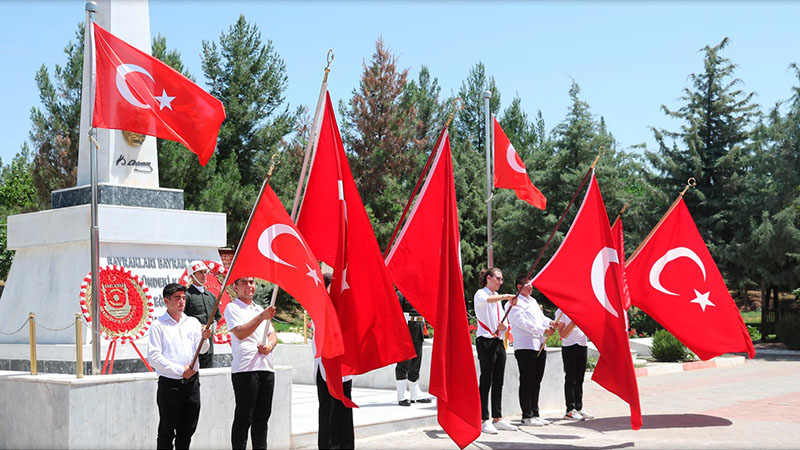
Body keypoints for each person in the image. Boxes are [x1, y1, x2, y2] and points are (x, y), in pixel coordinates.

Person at [148, 283, 212, 450]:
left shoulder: (193, 322)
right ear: (166, 301)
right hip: (170, 385)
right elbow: (154, 357)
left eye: (183, 298)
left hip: (192, 384)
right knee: (167, 431)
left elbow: (203, 350)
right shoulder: (158, 325)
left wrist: (204, 338)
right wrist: (179, 371)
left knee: (187, 430)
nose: (181, 301)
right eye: (177, 298)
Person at [225, 277, 278, 450]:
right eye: (244, 283)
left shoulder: (259, 308)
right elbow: (240, 333)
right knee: (244, 417)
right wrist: (260, 317)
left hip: (266, 367)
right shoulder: (232, 308)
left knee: (262, 418)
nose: (249, 286)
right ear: (236, 287)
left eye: (252, 282)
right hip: (246, 368)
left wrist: (269, 346)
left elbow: (272, 335)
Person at [506, 275, 557, 426]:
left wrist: (550, 322)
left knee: (537, 381)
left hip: (539, 345)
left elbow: (540, 318)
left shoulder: (533, 301)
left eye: (531, 284)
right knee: (527, 380)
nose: (531, 287)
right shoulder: (514, 303)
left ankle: (535, 413)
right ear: (519, 286)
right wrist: (543, 330)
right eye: (527, 284)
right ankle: (526, 415)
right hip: (525, 346)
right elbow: (523, 323)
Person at [474, 267, 518, 434]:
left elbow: (502, 321)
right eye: (498, 278)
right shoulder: (481, 293)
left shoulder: (498, 301)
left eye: (501, 279)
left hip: (498, 341)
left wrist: (503, 326)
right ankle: (484, 418)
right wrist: (506, 296)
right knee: (486, 380)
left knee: (498, 381)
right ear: (489, 278)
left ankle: (497, 417)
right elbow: (486, 300)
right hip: (485, 341)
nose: (500, 282)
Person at [314, 273, 355, 449]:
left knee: (344, 410)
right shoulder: (320, 307)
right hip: (326, 366)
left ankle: (346, 445)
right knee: (328, 412)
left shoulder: (345, 308)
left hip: (344, 368)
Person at [395, 291, 433, 406]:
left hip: (418, 326)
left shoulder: (418, 292)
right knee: (404, 361)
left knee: (416, 360)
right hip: (407, 327)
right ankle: (401, 395)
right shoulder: (401, 293)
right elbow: (395, 312)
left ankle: (414, 393)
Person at [555, 309, 594, 421]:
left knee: (579, 378)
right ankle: (570, 409)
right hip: (569, 346)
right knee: (570, 378)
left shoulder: (582, 309)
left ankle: (579, 407)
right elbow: (562, 334)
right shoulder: (561, 311)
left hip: (582, 345)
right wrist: (574, 322)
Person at [184, 260, 222, 369]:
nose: (204, 275)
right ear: (192, 276)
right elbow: (182, 318)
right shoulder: (187, 296)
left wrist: (211, 328)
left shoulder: (211, 296)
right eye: (200, 272)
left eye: (205, 272)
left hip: (208, 343)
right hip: (192, 343)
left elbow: (217, 316)